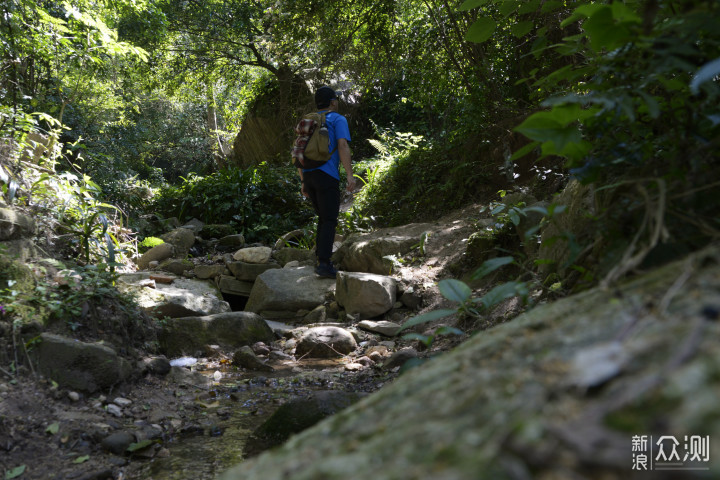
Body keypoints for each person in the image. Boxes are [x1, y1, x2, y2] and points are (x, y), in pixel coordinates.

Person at [298, 86, 356, 278]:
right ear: (332, 102)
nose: (337, 102)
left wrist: (303, 181)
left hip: (309, 176)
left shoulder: (308, 121)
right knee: (329, 219)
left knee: (323, 218)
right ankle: (324, 264)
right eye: (336, 99)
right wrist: (349, 175)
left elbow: (299, 153)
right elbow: (342, 145)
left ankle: (320, 259)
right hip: (327, 174)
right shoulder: (338, 119)